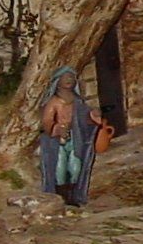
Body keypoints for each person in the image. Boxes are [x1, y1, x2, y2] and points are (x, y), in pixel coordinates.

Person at [39, 66, 101, 206]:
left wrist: (93, 115)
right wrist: (57, 129)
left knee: (75, 168)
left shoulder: (77, 101)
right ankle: (60, 198)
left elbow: (85, 118)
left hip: (75, 138)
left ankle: (73, 197)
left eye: (71, 77)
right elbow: (46, 122)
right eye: (65, 77)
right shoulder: (54, 102)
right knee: (59, 169)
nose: (69, 79)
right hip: (57, 141)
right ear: (57, 81)